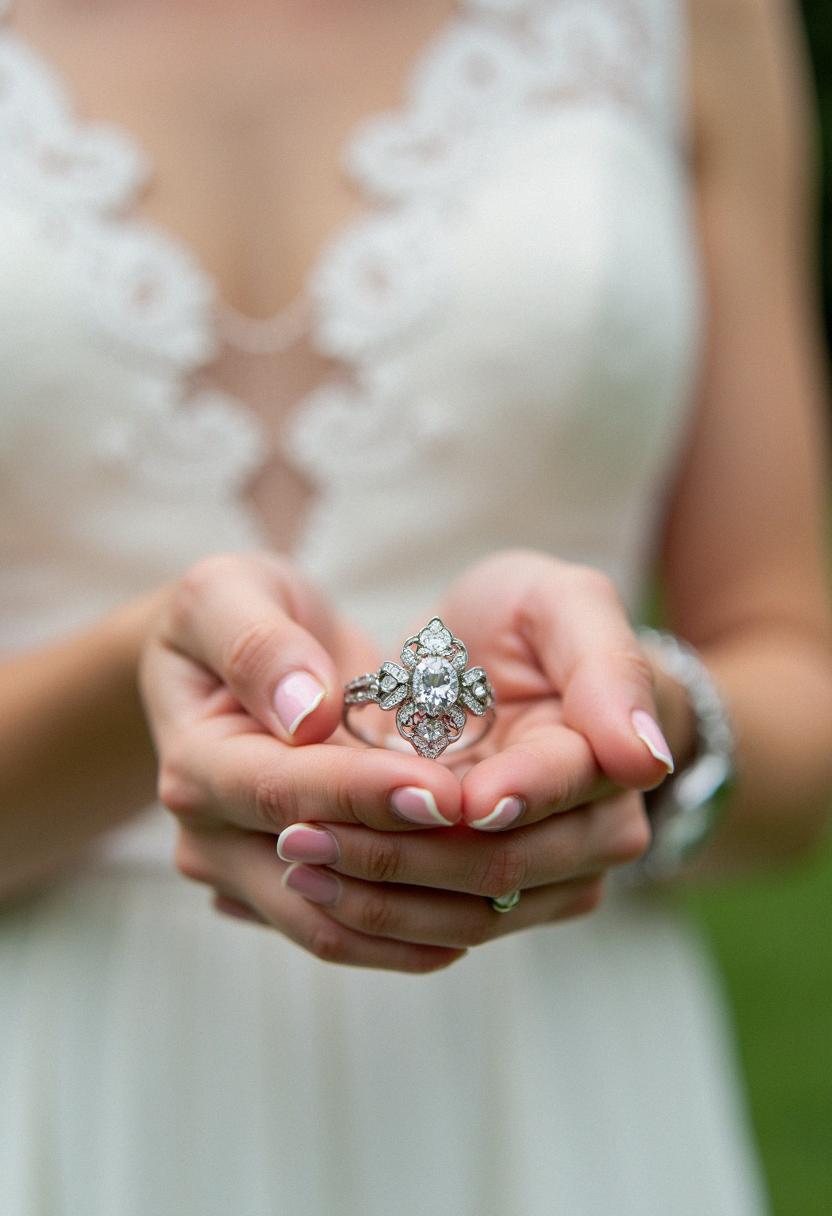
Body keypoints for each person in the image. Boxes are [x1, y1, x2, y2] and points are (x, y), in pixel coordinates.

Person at [1, 0, 831, 1212]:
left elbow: (791, 668)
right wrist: (144, 688)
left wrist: (637, 722)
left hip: (562, 1093)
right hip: (59, 1087)